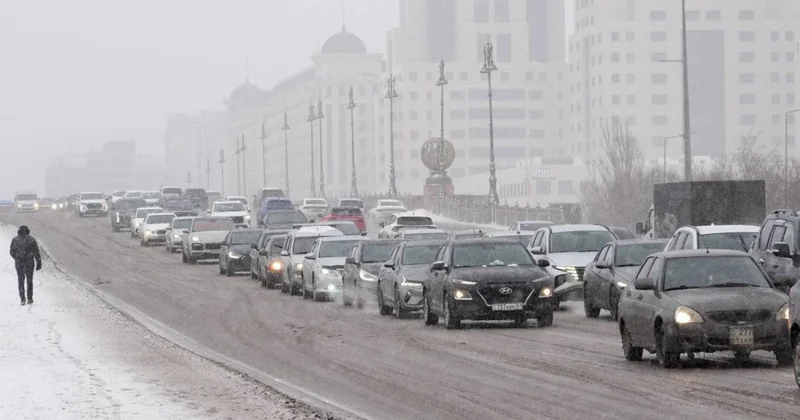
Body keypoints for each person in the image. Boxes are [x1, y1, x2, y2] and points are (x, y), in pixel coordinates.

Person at [9, 225, 42, 305]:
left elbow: (11, 252)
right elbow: (36, 252)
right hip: (29, 263)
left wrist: (17, 258)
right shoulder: (32, 240)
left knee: (20, 280)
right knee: (29, 280)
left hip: (19, 263)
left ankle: (22, 299)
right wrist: (38, 262)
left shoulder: (15, 240)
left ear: (19, 232)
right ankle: (29, 298)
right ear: (28, 231)